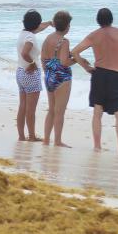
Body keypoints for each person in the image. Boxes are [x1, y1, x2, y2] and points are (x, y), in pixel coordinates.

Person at [71, 8, 118, 154]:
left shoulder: (94, 35)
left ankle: (97, 146)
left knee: (98, 112)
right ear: (111, 19)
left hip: (99, 75)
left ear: (98, 20)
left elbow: (75, 52)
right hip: (117, 76)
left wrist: (86, 67)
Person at [16, 10, 53, 142]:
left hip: (20, 72)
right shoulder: (30, 38)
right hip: (31, 74)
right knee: (31, 109)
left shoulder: (24, 33)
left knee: (22, 106)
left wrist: (48, 23)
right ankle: (31, 136)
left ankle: (21, 136)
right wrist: (32, 63)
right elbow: (25, 53)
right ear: (35, 25)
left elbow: (38, 28)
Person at [41, 11, 76, 147]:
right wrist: (77, 60)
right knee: (59, 111)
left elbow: (43, 58)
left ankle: (46, 139)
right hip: (62, 77)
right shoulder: (64, 41)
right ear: (67, 26)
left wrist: (47, 71)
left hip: (49, 75)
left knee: (51, 109)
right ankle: (57, 141)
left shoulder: (48, 38)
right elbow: (64, 62)